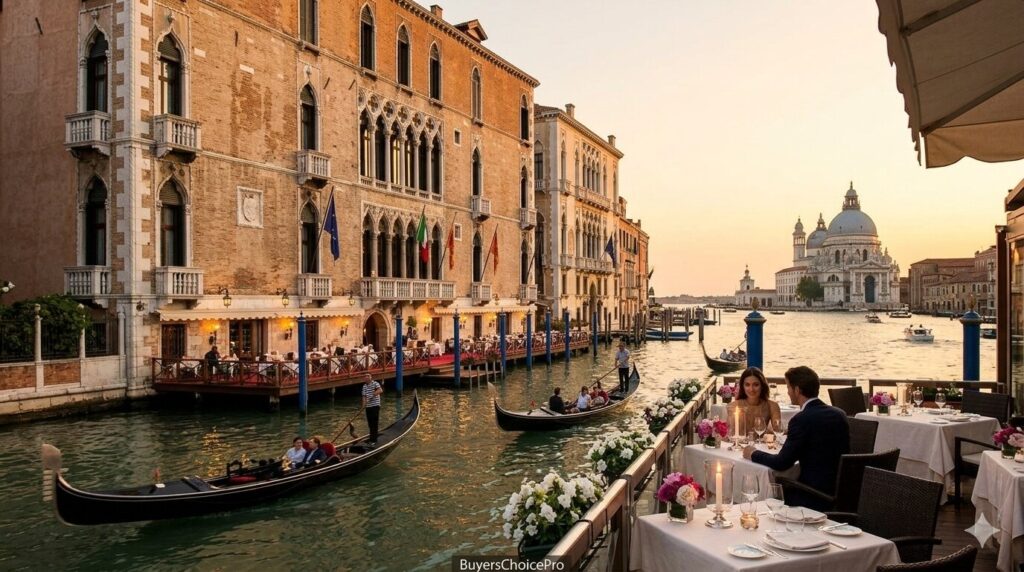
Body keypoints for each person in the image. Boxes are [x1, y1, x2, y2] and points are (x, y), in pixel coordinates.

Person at [743, 366, 849, 511]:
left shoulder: (801, 420)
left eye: (788, 387)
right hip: (844, 491)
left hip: (813, 495)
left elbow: (781, 463)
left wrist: (753, 453)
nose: (788, 392)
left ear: (797, 390)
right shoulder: (839, 414)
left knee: (772, 492)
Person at [727, 367, 782, 435]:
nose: (751, 389)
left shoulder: (772, 406)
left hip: (761, 445)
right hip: (739, 444)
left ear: (762, 385)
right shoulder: (733, 406)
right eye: (747, 385)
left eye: (756, 385)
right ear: (743, 386)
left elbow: (778, 431)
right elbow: (729, 433)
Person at [362, 374, 383, 446]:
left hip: (375, 405)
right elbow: (364, 397)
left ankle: (374, 440)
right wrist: (363, 405)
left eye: (368, 376)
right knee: (370, 423)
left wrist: (373, 394)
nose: (366, 377)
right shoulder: (364, 386)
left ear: (371, 377)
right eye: (365, 376)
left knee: (374, 423)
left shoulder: (375, 383)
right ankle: (371, 438)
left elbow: (380, 390)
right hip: (368, 406)